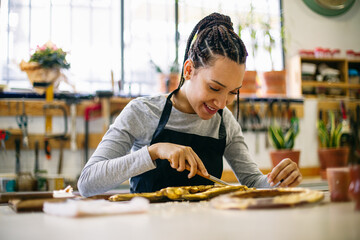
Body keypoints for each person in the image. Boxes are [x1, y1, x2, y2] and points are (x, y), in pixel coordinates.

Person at [77, 12, 302, 197]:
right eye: (214, 88)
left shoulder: (225, 124)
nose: (222, 103)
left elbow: (253, 182)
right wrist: (155, 151)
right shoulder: (142, 112)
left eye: (233, 92)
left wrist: (278, 180)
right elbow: (87, 183)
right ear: (188, 70)